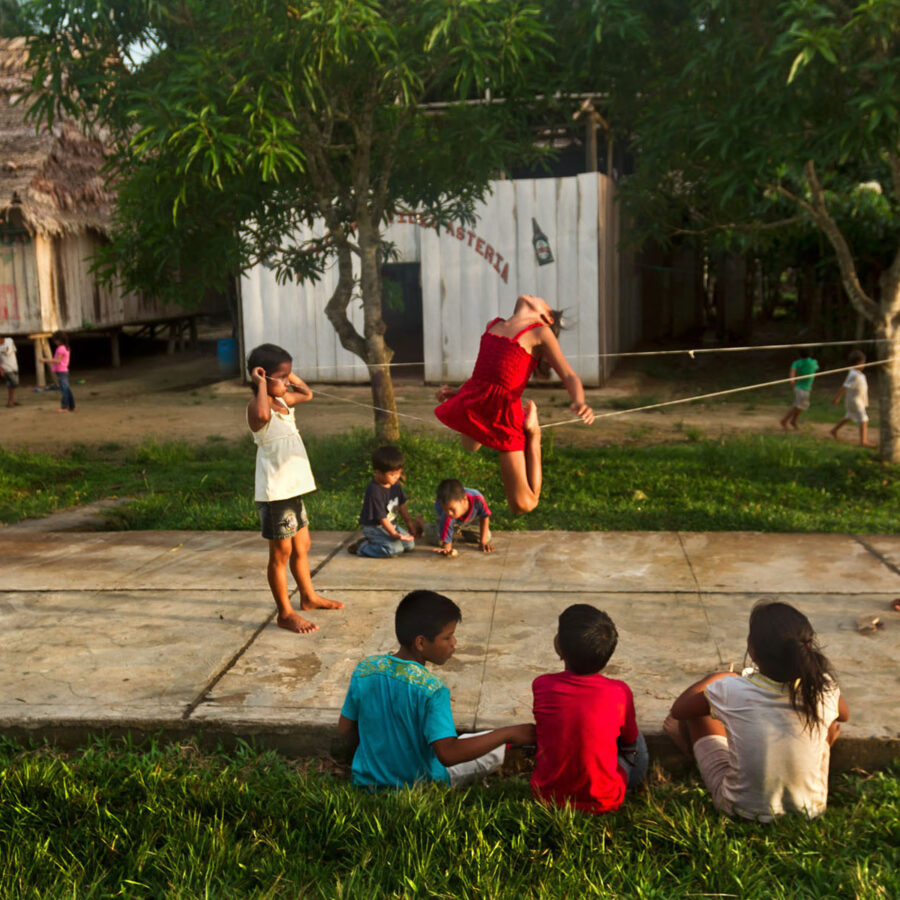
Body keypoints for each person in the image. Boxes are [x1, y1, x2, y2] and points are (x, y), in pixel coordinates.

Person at [666, 600, 850, 822]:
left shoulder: (730, 689)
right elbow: (844, 715)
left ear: (751, 649)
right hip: (810, 809)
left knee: (700, 715)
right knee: (828, 723)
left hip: (740, 808)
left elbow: (680, 710)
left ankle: (690, 753)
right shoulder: (823, 688)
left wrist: (720, 676)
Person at [338, 589, 536, 789]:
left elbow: (345, 728)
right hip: (421, 785)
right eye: (447, 637)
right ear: (421, 642)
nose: (454, 643)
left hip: (366, 780)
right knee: (495, 747)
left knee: (468, 739)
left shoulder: (365, 669)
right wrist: (509, 733)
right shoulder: (432, 689)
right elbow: (448, 754)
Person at [434, 294, 594, 515]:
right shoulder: (493, 324)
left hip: (504, 411)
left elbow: (569, 376)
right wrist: (458, 391)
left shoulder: (540, 332)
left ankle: (533, 434)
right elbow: (484, 375)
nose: (531, 295)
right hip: (476, 399)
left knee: (523, 504)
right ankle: (484, 426)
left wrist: (579, 401)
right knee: (469, 446)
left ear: (547, 317)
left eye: (542, 301)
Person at [247, 342, 343, 635]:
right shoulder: (257, 407)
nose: (289, 381)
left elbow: (307, 393)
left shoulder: (284, 401)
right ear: (263, 376)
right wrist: (262, 383)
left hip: (293, 490)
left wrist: (288, 377)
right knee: (281, 554)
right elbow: (262, 417)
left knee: (303, 546)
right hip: (276, 494)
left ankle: (308, 596)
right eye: (283, 376)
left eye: (289, 374)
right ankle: (284, 613)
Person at [531, 604, 647, 814]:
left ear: (559, 647)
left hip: (548, 797)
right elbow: (629, 742)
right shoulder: (620, 691)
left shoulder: (542, 685)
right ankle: (628, 780)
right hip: (606, 800)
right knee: (636, 738)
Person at [348, 445, 419, 558]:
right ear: (378, 473)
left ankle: (377, 542)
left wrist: (409, 523)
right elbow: (382, 518)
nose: (396, 477)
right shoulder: (374, 491)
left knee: (409, 545)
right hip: (375, 528)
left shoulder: (395, 485)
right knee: (395, 549)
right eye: (392, 474)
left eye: (399, 473)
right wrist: (395, 534)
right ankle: (362, 547)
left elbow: (401, 504)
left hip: (391, 525)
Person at [425, 478, 493, 555]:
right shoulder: (446, 512)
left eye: (452, 509)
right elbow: (447, 546)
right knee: (437, 539)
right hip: (445, 522)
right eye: (445, 510)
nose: (449, 513)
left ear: (464, 499)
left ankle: (458, 530)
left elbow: (484, 517)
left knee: (486, 536)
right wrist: (447, 549)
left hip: (469, 521)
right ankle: (422, 523)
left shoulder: (478, 499)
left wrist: (483, 543)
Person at [830, 349, 875, 447]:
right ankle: (863, 441)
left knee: (849, 416)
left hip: (857, 400)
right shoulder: (853, 374)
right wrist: (837, 397)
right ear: (859, 363)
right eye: (863, 362)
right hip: (855, 401)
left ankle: (833, 430)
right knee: (864, 420)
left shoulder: (856, 373)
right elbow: (844, 386)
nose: (864, 364)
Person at [780, 348, 819, 430]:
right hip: (801, 387)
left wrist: (792, 380)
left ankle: (793, 421)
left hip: (805, 387)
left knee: (802, 406)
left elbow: (792, 372)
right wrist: (792, 381)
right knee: (798, 406)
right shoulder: (813, 362)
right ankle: (784, 420)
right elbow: (815, 368)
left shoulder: (797, 363)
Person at [41, 331, 74, 412]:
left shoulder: (60, 348)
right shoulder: (67, 347)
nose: (55, 342)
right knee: (67, 389)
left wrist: (45, 360)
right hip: (64, 370)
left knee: (64, 389)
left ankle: (64, 407)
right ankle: (72, 406)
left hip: (61, 371)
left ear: (59, 340)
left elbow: (57, 361)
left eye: (55, 340)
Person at [0, 334, 19, 407]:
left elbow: (14, 350)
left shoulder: (9, 340)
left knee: (12, 384)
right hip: (6, 368)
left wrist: (14, 360)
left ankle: (10, 401)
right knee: (15, 383)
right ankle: (10, 401)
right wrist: (1, 370)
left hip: (14, 366)